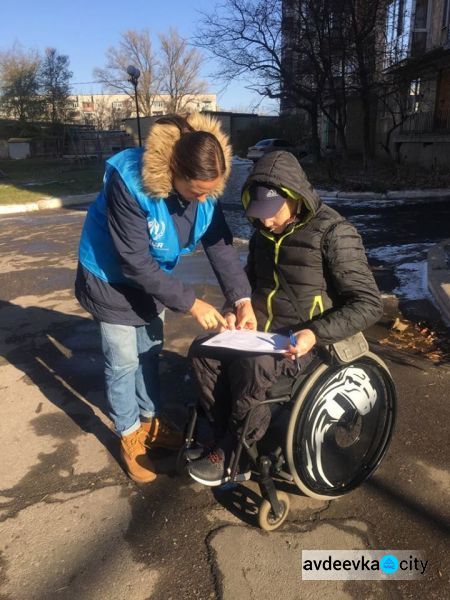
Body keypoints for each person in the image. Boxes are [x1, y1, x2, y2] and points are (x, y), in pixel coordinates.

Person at [75, 113, 256, 483]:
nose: (205, 198)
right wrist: (192, 303)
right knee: (124, 359)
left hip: (153, 279)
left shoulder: (205, 188)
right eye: (197, 191)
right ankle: (128, 434)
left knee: (150, 349)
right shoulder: (131, 182)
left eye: (212, 191)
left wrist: (242, 299)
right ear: (174, 171)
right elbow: (135, 262)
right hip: (111, 277)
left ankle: (150, 421)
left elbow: (219, 246)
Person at [187, 150, 383, 486]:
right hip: (264, 333)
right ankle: (223, 434)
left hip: (308, 342)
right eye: (259, 213)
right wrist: (234, 309)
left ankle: (240, 448)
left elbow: (368, 303)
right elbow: (248, 282)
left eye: (271, 212)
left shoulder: (335, 233)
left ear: (294, 197)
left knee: (254, 364)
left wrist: (314, 333)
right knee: (203, 350)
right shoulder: (264, 234)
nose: (264, 222)